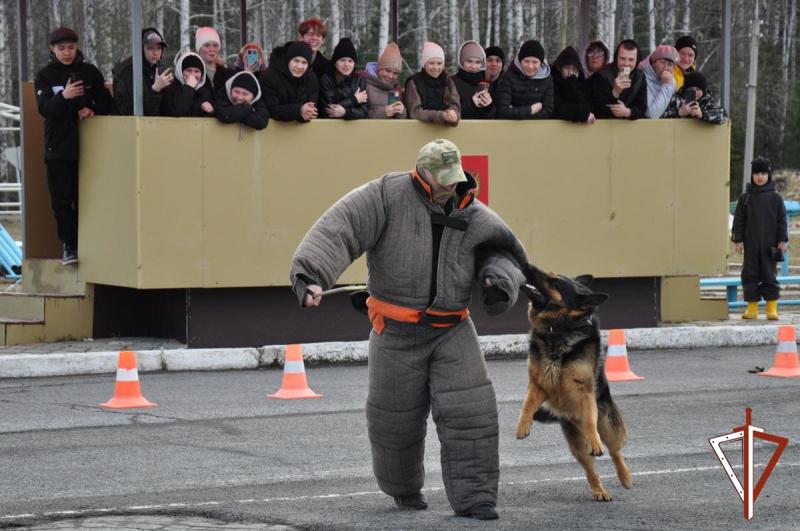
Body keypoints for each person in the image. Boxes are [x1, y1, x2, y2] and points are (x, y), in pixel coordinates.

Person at [290, 138, 529, 521]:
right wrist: (310, 276)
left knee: (472, 414)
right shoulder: (385, 195)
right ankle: (404, 490)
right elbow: (340, 228)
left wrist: (498, 281)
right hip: (394, 332)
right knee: (393, 421)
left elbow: (503, 253)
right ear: (423, 172)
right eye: (443, 178)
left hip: (452, 329)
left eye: (454, 177)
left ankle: (476, 499)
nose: (450, 185)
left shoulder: (474, 213)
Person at [34, 27, 112, 265]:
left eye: (70, 47)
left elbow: (108, 103)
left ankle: (92, 244)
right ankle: (70, 245)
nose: (67, 53)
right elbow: (45, 109)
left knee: (88, 199)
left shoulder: (89, 72)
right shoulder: (45, 76)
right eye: (61, 48)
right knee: (62, 201)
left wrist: (92, 109)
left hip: (90, 148)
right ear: (52, 49)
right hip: (58, 149)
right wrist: (64, 96)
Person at [732, 157, 788, 320]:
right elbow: (739, 220)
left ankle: (771, 309)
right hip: (751, 245)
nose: (760, 177)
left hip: (770, 246)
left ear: (768, 175)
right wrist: (738, 240)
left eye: (763, 173)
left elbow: (782, 221)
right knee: (749, 275)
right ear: (752, 175)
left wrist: (782, 240)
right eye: (757, 173)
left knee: (770, 275)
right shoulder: (745, 197)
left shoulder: (776, 198)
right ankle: (752, 309)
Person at [112, 27, 172, 116]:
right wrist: (155, 90)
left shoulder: (159, 69)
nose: (155, 53)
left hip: (157, 123)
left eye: (159, 48)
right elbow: (134, 112)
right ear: (140, 49)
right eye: (150, 48)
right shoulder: (128, 72)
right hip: (129, 123)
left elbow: (168, 108)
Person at [261, 41, 319, 122]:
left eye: (304, 62)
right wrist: (299, 110)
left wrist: (307, 113)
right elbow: (271, 109)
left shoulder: (311, 78)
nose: (299, 66)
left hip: (301, 127)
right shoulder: (270, 77)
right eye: (296, 61)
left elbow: (310, 107)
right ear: (288, 59)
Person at [404, 42, 460, 125]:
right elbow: (414, 112)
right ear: (424, 64)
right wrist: (441, 116)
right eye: (431, 63)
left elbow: (455, 105)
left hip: (445, 129)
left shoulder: (448, 82)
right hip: (419, 129)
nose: (435, 67)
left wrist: (454, 115)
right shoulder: (414, 82)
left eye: (439, 63)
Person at [495, 39, 553, 119]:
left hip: (536, 126)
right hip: (510, 126)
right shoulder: (508, 77)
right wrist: (531, 110)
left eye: (535, 62)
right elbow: (502, 111)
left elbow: (548, 111)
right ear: (520, 61)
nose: (530, 66)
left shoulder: (547, 79)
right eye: (526, 61)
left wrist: (516, 113)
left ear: (541, 63)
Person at [590, 39, 647, 120]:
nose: (626, 64)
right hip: (605, 125)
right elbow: (598, 110)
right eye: (622, 59)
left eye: (631, 60)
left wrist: (628, 112)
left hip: (630, 126)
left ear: (637, 60)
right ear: (616, 58)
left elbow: (642, 108)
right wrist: (615, 92)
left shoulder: (640, 76)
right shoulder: (602, 76)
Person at [319, 38, 369, 119]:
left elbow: (364, 111)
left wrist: (345, 112)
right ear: (335, 63)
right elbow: (329, 111)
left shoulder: (359, 80)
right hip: (330, 125)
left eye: (350, 61)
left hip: (354, 126)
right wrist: (354, 100)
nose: (346, 64)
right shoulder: (327, 80)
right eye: (342, 60)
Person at [161, 51, 214, 117]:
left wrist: (211, 111)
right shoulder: (170, 90)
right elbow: (176, 112)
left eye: (196, 71)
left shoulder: (205, 93)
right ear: (181, 72)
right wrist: (188, 87)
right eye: (188, 70)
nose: (192, 74)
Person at [661, 71, 726, 125]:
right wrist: (679, 112)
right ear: (685, 90)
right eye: (691, 89)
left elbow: (723, 116)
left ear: (703, 91)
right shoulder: (676, 99)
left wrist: (702, 114)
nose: (695, 92)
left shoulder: (708, 100)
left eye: (698, 89)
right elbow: (661, 116)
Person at [451, 40, 495, 119]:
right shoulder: (451, 82)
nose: (473, 66)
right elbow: (449, 113)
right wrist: (471, 104)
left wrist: (489, 107)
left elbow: (494, 117)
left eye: (477, 62)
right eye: (469, 61)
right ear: (462, 62)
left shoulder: (487, 84)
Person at [361, 42, 406, 119]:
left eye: (395, 73)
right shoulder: (363, 82)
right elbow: (359, 113)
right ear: (379, 68)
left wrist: (402, 112)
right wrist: (384, 112)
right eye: (387, 70)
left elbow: (401, 119)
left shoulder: (396, 87)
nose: (390, 76)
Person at [551, 46, 594, 123]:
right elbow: (556, 108)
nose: (571, 72)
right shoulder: (552, 84)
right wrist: (582, 114)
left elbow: (588, 106)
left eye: (574, 69)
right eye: (567, 68)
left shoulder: (583, 85)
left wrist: (573, 84)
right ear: (559, 68)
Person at [639, 44, 678, 119]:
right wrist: (667, 86)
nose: (666, 68)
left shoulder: (671, 80)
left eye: (670, 65)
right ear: (654, 63)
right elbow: (651, 114)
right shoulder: (641, 76)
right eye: (663, 62)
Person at [194, 27, 234, 95]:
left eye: (215, 45)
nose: (212, 49)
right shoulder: (191, 73)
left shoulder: (229, 74)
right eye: (207, 45)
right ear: (199, 49)